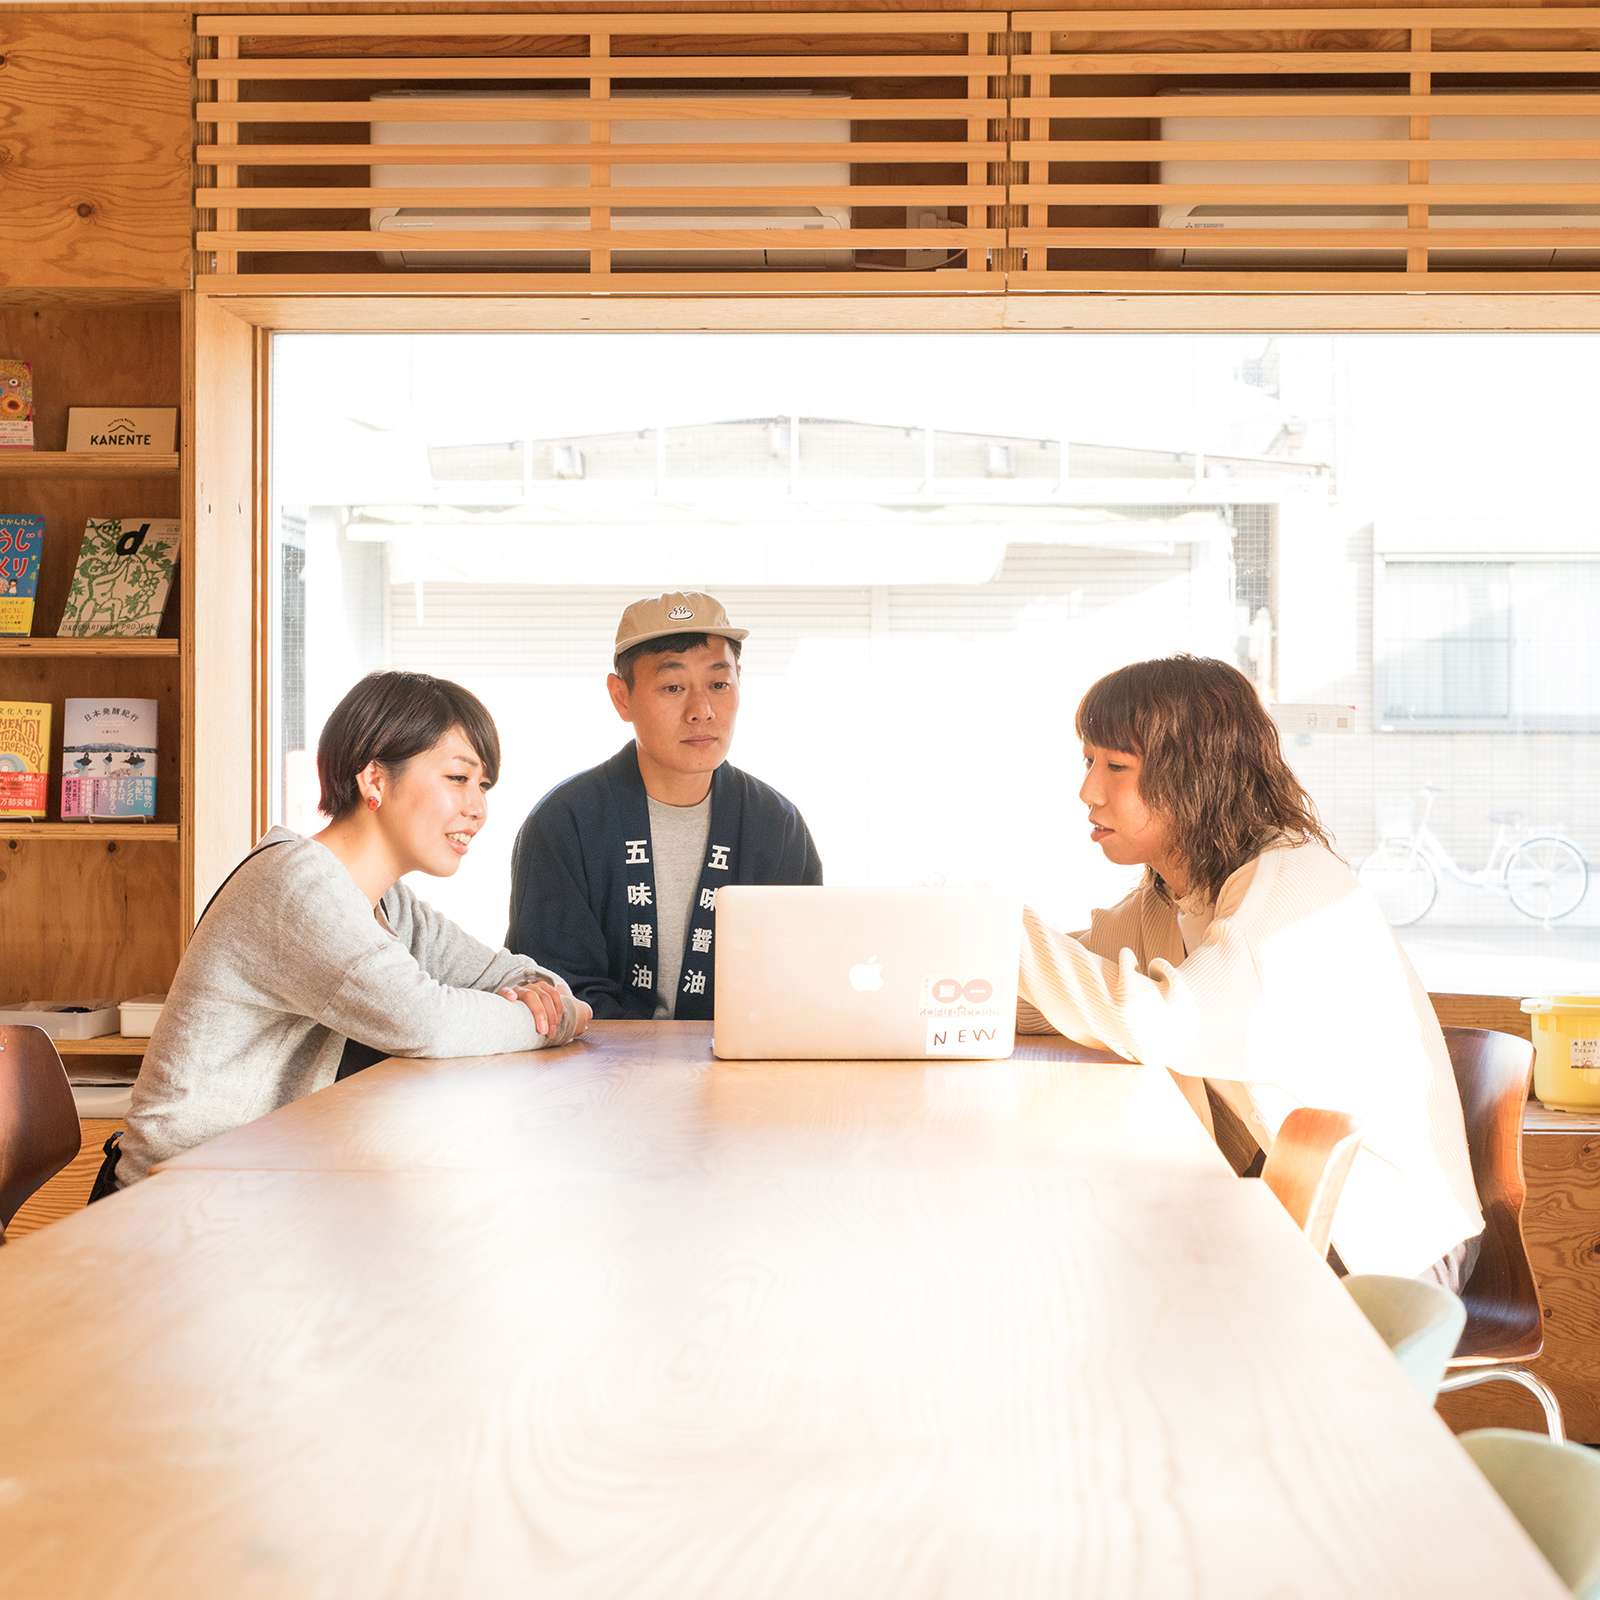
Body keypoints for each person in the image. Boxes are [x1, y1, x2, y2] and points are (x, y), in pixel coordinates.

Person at [1018, 654, 1484, 1290]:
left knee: (1097, 1271)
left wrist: (1001, 927)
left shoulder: (1291, 888)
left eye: (1116, 767)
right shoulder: (1174, 893)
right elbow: (1050, 989)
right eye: (1088, 761)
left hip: (1386, 1245)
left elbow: (1159, 1024)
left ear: (1194, 773)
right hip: (1291, 1205)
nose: (1088, 791)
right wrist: (955, 960)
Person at [104, 671, 591, 1192]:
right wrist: (551, 1019)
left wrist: (550, 1002)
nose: (478, 808)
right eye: (458, 778)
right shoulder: (297, 883)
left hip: (269, 1188)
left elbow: (518, 975)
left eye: (484, 785)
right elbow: (424, 1022)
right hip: (175, 1199)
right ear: (374, 780)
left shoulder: (388, 902)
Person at [507, 591, 822, 1020]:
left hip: (737, 1059)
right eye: (673, 687)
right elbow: (557, 989)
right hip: (599, 1060)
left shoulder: (775, 824)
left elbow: (800, 978)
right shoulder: (566, 822)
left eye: (719, 684)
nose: (702, 710)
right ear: (621, 697)